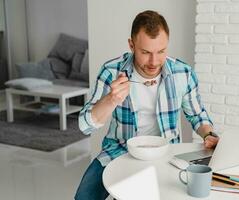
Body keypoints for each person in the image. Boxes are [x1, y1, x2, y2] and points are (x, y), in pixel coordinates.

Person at [75, 10, 219, 200]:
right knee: (84, 197)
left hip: (167, 154)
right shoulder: (111, 71)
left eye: (161, 51)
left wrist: (208, 135)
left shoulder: (183, 73)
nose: (154, 62)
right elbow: (84, 126)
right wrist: (111, 99)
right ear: (131, 45)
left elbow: (197, 115)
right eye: (145, 52)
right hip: (119, 149)